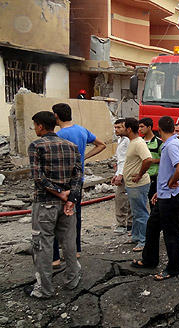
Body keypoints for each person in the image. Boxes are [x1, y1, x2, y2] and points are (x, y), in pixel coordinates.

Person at [25, 111, 82, 299]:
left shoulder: (36, 146)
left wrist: (60, 193)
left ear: (41, 126)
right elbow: (77, 176)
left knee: (42, 246)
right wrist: (71, 198)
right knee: (69, 244)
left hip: (45, 204)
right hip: (67, 206)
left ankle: (45, 289)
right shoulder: (71, 146)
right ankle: (72, 280)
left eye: (35, 125)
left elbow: (37, 177)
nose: (35, 129)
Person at [51, 103, 106, 266]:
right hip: (78, 180)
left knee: (58, 217)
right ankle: (76, 249)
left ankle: (57, 255)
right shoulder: (82, 130)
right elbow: (101, 144)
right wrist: (85, 157)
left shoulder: (59, 135)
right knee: (76, 214)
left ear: (56, 116)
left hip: (63, 181)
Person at [132, 116, 179, 280]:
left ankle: (173, 268)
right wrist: (159, 190)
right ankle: (149, 259)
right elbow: (168, 169)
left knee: (171, 233)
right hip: (164, 194)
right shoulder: (172, 143)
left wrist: (172, 181)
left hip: (170, 197)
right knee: (152, 226)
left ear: (159, 129)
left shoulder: (171, 146)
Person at [121, 118, 153, 252]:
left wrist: (140, 174)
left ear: (128, 129)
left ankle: (143, 240)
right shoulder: (132, 142)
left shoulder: (139, 143)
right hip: (132, 184)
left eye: (122, 127)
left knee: (141, 213)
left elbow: (148, 160)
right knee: (135, 212)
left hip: (138, 185)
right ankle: (136, 236)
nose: (121, 130)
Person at [111, 119, 132, 234]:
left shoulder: (128, 141)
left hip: (126, 174)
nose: (116, 130)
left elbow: (126, 160)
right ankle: (126, 223)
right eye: (115, 127)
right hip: (121, 172)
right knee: (122, 198)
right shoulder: (121, 140)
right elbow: (120, 160)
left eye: (119, 127)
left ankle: (124, 224)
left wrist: (120, 175)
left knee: (122, 198)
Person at [138, 118, 163, 213]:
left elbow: (165, 160)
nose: (140, 129)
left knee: (154, 205)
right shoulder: (139, 142)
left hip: (153, 177)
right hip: (141, 177)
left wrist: (152, 161)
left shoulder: (159, 142)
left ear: (149, 127)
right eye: (139, 127)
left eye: (142, 127)